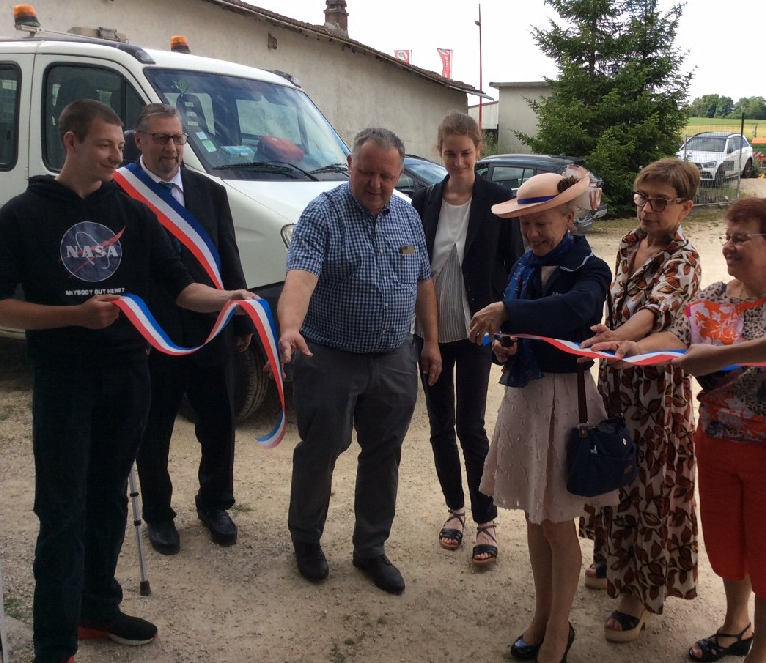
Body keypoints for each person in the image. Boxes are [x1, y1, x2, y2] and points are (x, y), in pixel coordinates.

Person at [0, 99, 256, 663]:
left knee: (110, 501)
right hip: (65, 383)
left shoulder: (135, 213)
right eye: (105, 146)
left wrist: (231, 298)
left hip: (127, 379)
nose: (118, 157)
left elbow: (181, 287)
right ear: (70, 142)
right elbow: (3, 308)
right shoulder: (22, 215)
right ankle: (54, 642)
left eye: (120, 146)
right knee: (62, 511)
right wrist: (72, 315)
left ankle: (97, 608)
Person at [597, 197, 766, 663]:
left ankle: (760, 654)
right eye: (727, 237)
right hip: (718, 448)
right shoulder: (715, 296)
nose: (728, 247)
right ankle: (736, 625)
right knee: (730, 550)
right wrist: (631, 344)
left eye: (741, 238)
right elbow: (677, 336)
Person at [277, 127, 441, 595]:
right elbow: (300, 280)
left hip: (393, 357)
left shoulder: (407, 217)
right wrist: (290, 326)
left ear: (399, 174)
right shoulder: (322, 215)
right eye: (366, 172)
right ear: (350, 164)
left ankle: (371, 548)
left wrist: (430, 342)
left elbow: (424, 283)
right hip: (328, 354)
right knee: (321, 449)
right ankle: (306, 538)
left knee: (384, 453)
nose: (375, 184)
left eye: (386, 176)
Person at [469, 168, 613, 663]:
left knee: (557, 525)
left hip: (565, 403)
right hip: (526, 400)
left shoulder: (591, 270)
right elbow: (504, 334)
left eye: (542, 222)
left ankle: (558, 630)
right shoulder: (524, 268)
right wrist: (501, 347)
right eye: (526, 225)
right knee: (535, 518)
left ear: (569, 218)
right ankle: (542, 616)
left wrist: (508, 315)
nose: (533, 234)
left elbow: (568, 311)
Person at [579, 158, 702, 641]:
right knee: (612, 471)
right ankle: (612, 559)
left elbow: (654, 316)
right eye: (641, 198)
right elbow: (618, 305)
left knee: (647, 484)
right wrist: (608, 339)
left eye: (659, 202)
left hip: (655, 393)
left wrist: (616, 338)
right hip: (616, 383)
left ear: (685, 208)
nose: (647, 209)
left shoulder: (685, 259)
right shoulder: (630, 242)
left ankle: (638, 593)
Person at [127, 104, 252, 555]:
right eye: (161, 138)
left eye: (177, 138)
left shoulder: (209, 192)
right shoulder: (124, 192)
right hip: (153, 335)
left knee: (219, 423)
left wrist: (240, 318)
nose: (172, 147)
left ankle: (215, 503)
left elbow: (227, 256)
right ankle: (159, 515)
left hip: (210, 328)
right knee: (154, 428)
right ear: (139, 141)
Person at [410, 111, 523, 563]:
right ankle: (454, 510)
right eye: (451, 153)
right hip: (431, 331)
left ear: (479, 152)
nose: (458, 161)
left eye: (466, 153)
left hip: (477, 329)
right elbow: (415, 267)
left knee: (471, 427)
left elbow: (514, 268)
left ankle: (485, 520)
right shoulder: (424, 200)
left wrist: (506, 326)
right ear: (440, 152)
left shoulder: (498, 200)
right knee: (440, 427)